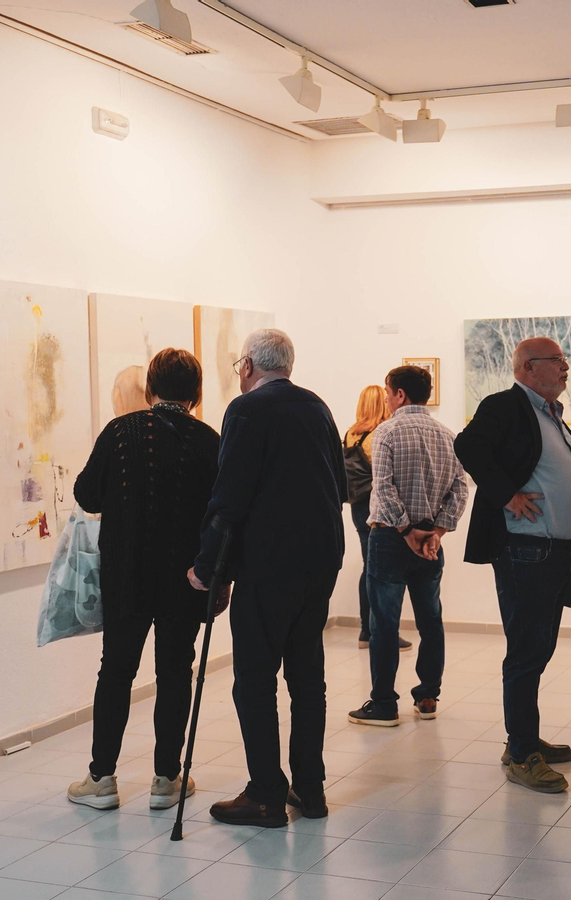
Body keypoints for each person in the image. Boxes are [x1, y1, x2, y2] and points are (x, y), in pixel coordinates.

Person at [191, 328, 346, 828]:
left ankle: (265, 794)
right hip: (319, 562)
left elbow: (229, 497)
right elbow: (339, 485)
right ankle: (310, 788)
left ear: (247, 367)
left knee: (254, 681)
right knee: (307, 677)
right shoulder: (317, 406)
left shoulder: (246, 410)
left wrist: (207, 567)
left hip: (269, 565)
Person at [67, 349, 220, 811]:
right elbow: (220, 514)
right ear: (195, 393)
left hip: (126, 577)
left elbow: (86, 494)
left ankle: (102, 779)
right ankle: (165, 780)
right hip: (186, 580)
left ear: (151, 389)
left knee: (115, 671)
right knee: (175, 673)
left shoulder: (120, 432)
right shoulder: (209, 440)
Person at [455, 337, 571, 793]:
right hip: (526, 550)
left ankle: (524, 737)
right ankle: (521, 754)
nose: (565, 368)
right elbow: (469, 446)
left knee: (538, 648)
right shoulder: (505, 405)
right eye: (558, 361)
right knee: (526, 651)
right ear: (529, 367)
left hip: (557, 551)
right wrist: (506, 495)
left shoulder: (550, 414)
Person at [348, 365, 468, 726]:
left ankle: (384, 704)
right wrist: (437, 532)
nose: (386, 398)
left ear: (399, 394)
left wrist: (405, 530)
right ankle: (428, 696)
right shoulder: (447, 435)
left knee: (384, 623)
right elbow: (461, 489)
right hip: (430, 542)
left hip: (389, 538)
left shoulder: (386, 432)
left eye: (388, 391)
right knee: (431, 620)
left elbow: (382, 488)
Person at [342, 386, 412, 652]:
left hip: (358, 507)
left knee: (369, 567)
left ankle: (366, 630)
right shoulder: (380, 434)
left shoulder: (352, 433)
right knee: (383, 572)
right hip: (379, 509)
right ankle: (382, 632)